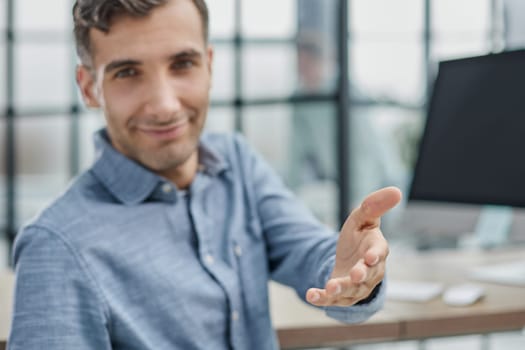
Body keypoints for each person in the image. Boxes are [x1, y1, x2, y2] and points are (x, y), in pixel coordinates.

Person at [8, 0, 402, 349]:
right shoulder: (55, 247)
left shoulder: (236, 163)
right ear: (89, 88)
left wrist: (349, 271)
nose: (164, 105)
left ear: (208, 65)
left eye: (182, 64)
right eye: (127, 72)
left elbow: (310, 252)